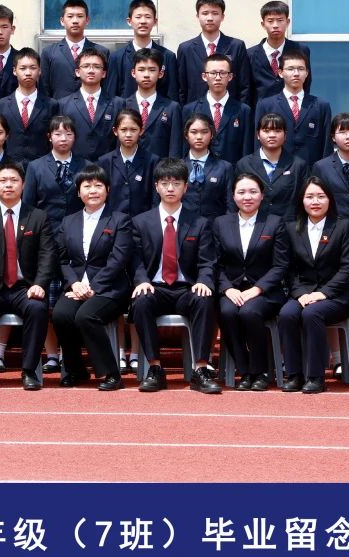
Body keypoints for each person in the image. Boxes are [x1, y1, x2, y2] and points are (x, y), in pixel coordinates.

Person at [129, 158, 222, 394]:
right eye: (165, 183)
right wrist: (142, 280)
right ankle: (155, 368)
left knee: (205, 299)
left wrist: (204, 281)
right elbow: (135, 260)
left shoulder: (199, 223)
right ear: (156, 186)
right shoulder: (140, 222)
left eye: (176, 183)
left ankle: (200, 369)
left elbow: (207, 261)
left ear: (185, 187)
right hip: (155, 287)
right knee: (141, 301)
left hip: (186, 288)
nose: (170, 188)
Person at [0, 161, 55, 391]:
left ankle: (28, 371)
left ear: (23, 185)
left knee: (37, 309)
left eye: (14, 180)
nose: (8, 185)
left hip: (24, 287)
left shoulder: (38, 216)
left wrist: (40, 284)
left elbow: (47, 255)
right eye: (3, 180)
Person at [52, 165, 133, 390]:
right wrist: (75, 283)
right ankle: (75, 369)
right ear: (78, 192)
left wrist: (94, 287)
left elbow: (118, 259)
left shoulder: (120, 220)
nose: (93, 190)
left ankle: (111, 374)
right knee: (61, 314)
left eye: (98, 185)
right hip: (77, 287)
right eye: (87, 186)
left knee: (86, 316)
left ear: (108, 189)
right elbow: (62, 259)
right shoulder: (68, 221)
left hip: (110, 289)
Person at [213, 172, 290, 391]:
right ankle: (244, 370)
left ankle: (261, 371)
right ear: (233, 196)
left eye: (253, 192)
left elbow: (280, 265)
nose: (247, 197)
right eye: (242, 192)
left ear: (262, 195)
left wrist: (258, 288)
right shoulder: (221, 223)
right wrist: (227, 288)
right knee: (227, 312)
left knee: (249, 312)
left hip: (265, 291)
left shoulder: (275, 223)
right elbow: (215, 263)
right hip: (233, 289)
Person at [278, 176, 349, 393]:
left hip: (336, 296)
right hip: (303, 293)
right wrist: (299, 293)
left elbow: (348, 268)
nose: (315, 201)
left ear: (330, 199)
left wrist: (323, 293)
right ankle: (294, 374)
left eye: (321, 196)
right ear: (301, 200)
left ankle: (316, 376)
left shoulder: (342, 227)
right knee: (287, 314)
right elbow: (288, 269)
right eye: (310, 196)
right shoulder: (292, 228)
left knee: (312, 314)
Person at [254, 49, 331, 165]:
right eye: (290, 69)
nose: (296, 73)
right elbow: (258, 143)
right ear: (280, 73)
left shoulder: (321, 106)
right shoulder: (266, 105)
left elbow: (326, 146)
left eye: (301, 69)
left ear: (307, 73)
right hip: (277, 169)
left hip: (311, 171)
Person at [174, 0, 251, 106]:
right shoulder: (186, 48)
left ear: (222, 16)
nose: (210, 18)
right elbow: (181, 87)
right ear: (197, 16)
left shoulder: (236, 46)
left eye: (215, 13)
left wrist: (241, 111)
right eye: (205, 13)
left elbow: (244, 85)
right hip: (195, 111)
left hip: (230, 110)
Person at [183, 53, 253, 164]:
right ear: (204, 76)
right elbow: (184, 146)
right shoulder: (190, 109)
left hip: (233, 170)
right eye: (213, 73)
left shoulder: (243, 110)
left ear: (230, 77)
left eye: (223, 73)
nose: (218, 77)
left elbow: (247, 148)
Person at [235, 113, 308, 219]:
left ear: (285, 135)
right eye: (266, 131)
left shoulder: (298, 165)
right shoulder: (244, 164)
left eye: (277, 131)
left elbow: (305, 198)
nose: (272, 135)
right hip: (254, 223)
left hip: (288, 224)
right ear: (258, 134)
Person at [106, 0, 178, 101]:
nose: (143, 21)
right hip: (125, 110)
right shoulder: (116, 57)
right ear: (129, 21)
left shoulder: (167, 56)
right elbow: (111, 95)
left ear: (155, 21)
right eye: (138, 17)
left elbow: (172, 94)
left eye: (148, 17)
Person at [21, 114, 86, 227]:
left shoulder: (86, 166)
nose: (63, 139)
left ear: (74, 137)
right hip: (45, 229)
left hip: (77, 228)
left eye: (69, 134)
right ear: (49, 136)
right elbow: (28, 204)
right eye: (58, 134)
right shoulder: (35, 167)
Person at [60, 47, 121, 163]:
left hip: (108, 166)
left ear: (104, 73)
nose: (91, 70)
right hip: (74, 166)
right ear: (77, 72)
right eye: (86, 66)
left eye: (97, 67)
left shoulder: (117, 103)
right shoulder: (63, 104)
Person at [0, 47, 54, 163]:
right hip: (10, 166)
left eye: (33, 68)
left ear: (39, 70)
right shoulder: (2, 105)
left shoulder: (51, 105)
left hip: (41, 165)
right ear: (14, 71)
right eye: (23, 68)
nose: (28, 73)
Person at [97, 109, 158, 218]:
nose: (128, 134)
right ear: (115, 131)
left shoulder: (152, 161)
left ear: (141, 131)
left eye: (133, 130)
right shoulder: (105, 162)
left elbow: (155, 197)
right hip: (112, 222)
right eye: (123, 130)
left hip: (142, 222)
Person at [249, 0, 312, 104]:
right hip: (261, 111)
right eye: (270, 21)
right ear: (263, 24)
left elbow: (306, 82)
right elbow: (247, 88)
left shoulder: (301, 50)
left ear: (287, 22)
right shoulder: (250, 54)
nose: (275, 25)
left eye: (280, 20)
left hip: (292, 108)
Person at [41, 0, 104, 100]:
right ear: (62, 21)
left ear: (87, 20)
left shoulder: (101, 52)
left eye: (80, 16)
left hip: (91, 107)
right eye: (70, 16)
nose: (75, 21)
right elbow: (44, 88)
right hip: (59, 108)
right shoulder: (49, 53)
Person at [129, 47, 182, 159]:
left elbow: (175, 146)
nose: (146, 74)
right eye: (141, 70)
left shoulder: (172, 108)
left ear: (160, 73)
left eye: (152, 70)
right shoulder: (123, 105)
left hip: (161, 167)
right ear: (133, 73)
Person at [179, 114, 234, 220]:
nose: (199, 137)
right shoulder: (178, 166)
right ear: (186, 135)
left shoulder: (224, 167)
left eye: (204, 132)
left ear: (211, 134)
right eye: (194, 132)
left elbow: (230, 204)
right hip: (184, 224)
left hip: (214, 225)